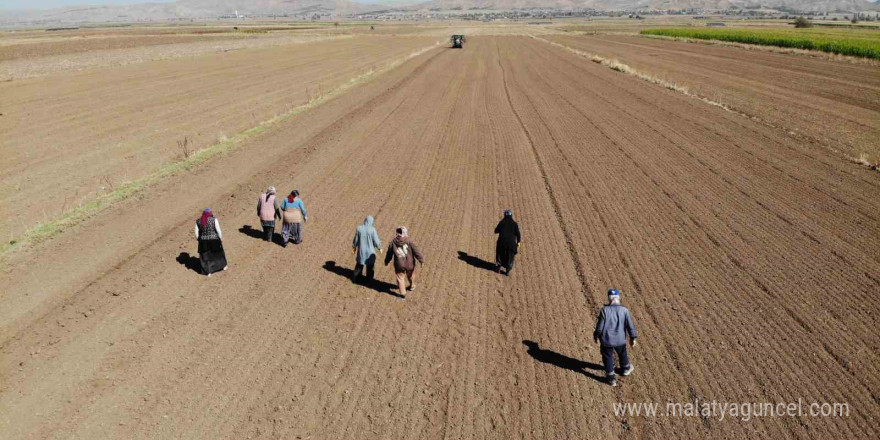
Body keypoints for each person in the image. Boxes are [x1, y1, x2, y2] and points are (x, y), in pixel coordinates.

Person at [593, 289, 637, 386]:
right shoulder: (625, 311)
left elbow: (599, 327)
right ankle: (625, 369)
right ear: (618, 298)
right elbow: (630, 326)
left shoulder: (604, 310)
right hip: (620, 340)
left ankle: (611, 378)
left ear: (609, 299)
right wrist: (633, 337)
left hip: (606, 340)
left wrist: (596, 335)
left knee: (607, 357)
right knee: (622, 354)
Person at [384, 226, 424, 299]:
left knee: (400, 278)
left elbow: (389, 253)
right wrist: (421, 260)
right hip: (410, 264)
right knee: (411, 275)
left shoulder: (393, 242)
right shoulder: (409, 241)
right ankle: (412, 285)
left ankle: (402, 294)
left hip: (399, 265)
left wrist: (386, 261)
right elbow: (416, 252)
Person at [194, 208, 227, 276]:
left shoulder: (198, 221)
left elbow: (196, 233)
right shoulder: (214, 220)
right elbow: (218, 230)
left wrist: (199, 240)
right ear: (209, 213)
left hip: (203, 242)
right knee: (218, 254)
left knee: (206, 256)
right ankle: (222, 266)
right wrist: (220, 238)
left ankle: (208, 271)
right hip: (214, 240)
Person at [352, 215, 382, 280]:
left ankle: (356, 278)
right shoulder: (373, 230)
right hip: (370, 252)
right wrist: (380, 248)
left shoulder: (359, 228)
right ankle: (369, 280)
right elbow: (376, 241)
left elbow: (356, 240)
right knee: (370, 267)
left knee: (359, 265)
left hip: (361, 252)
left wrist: (354, 247)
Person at [494, 209, 521, 275]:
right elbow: (518, 234)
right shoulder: (515, 224)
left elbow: (496, 231)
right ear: (511, 216)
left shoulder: (502, 222)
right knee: (510, 257)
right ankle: (508, 270)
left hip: (501, 242)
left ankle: (498, 267)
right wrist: (518, 242)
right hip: (511, 244)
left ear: (504, 215)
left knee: (500, 254)